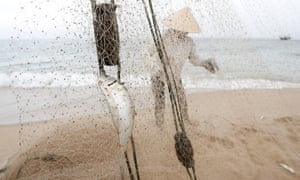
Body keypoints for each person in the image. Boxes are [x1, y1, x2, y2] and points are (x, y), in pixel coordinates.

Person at [145, 7, 219, 127]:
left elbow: (194, 60)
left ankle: (186, 120)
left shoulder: (189, 42)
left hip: (175, 76)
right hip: (158, 75)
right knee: (160, 102)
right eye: (183, 29)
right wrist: (154, 67)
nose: (185, 32)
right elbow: (147, 52)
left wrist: (206, 63)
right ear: (176, 25)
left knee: (182, 100)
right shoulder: (163, 37)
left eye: (187, 30)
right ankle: (159, 125)